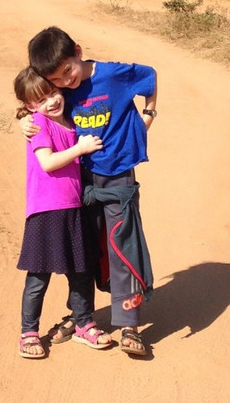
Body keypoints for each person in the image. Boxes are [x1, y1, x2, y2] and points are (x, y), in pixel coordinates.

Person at [23, 26, 157, 357]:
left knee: (120, 245)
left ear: (78, 51)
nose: (66, 83)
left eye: (68, 71)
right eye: (57, 80)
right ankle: (81, 316)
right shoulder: (57, 90)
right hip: (79, 182)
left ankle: (130, 324)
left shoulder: (114, 75)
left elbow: (150, 77)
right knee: (84, 250)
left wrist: (147, 118)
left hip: (117, 178)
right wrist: (21, 120)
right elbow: (33, 100)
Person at [13, 66, 112, 359]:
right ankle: (28, 332)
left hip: (74, 208)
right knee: (38, 276)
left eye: (54, 92)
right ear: (30, 106)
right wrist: (80, 149)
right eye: (41, 100)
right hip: (46, 211)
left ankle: (84, 324)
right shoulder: (39, 124)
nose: (51, 101)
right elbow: (47, 162)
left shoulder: (71, 121)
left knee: (81, 272)